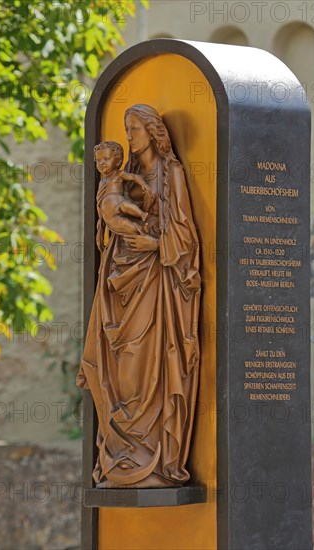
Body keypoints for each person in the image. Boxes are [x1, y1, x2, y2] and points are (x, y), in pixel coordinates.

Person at [77, 104, 201, 488]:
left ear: (153, 131)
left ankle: (152, 455)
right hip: (119, 280)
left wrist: (153, 242)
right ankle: (122, 453)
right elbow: (106, 228)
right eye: (126, 130)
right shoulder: (122, 175)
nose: (129, 136)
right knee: (118, 365)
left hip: (155, 281)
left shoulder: (172, 173)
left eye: (134, 129)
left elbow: (185, 237)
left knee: (145, 363)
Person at [93, 141, 152, 250]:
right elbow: (99, 203)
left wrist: (143, 184)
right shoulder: (102, 182)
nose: (101, 163)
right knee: (124, 224)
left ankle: (142, 218)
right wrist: (100, 227)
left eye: (106, 159)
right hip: (110, 215)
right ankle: (141, 231)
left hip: (119, 204)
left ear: (117, 161)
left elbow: (134, 177)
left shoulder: (119, 174)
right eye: (98, 160)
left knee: (126, 207)